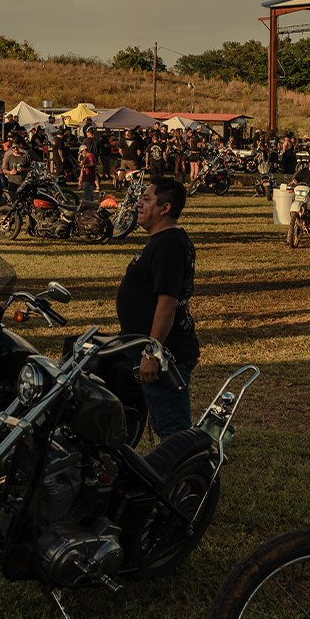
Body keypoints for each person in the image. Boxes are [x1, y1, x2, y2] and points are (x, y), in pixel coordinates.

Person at [116, 178, 199, 439]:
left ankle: (184, 466)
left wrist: (152, 354)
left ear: (165, 208)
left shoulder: (167, 245)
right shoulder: (164, 241)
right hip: (149, 350)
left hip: (165, 358)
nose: (138, 204)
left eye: (147, 199)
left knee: (174, 434)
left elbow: (168, 303)